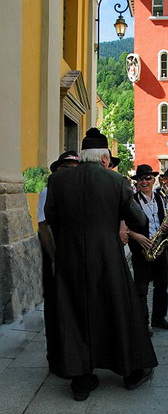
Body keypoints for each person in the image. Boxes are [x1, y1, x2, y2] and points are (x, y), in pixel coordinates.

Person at [45, 128, 157, 401]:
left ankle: (81, 381)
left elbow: (51, 217)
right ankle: (130, 372)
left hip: (70, 257)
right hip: (107, 257)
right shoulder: (116, 181)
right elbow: (139, 220)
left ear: (82, 155)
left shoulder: (58, 181)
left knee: (73, 313)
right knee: (119, 310)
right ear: (105, 157)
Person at [37, 151, 79, 377]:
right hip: (55, 255)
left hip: (69, 254)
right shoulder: (48, 191)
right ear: (58, 171)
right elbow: (44, 228)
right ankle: (55, 356)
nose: (72, 172)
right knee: (54, 306)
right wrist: (55, 258)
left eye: (76, 168)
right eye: (67, 168)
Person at [128, 164, 168, 336]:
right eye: (141, 178)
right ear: (137, 182)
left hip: (160, 248)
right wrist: (136, 236)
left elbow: (167, 221)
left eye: (148, 178)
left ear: (154, 179)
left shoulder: (161, 198)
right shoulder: (131, 201)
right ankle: (143, 322)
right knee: (141, 289)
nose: (145, 181)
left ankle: (158, 318)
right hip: (141, 250)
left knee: (162, 286)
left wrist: (167, 227)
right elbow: (121, 227)